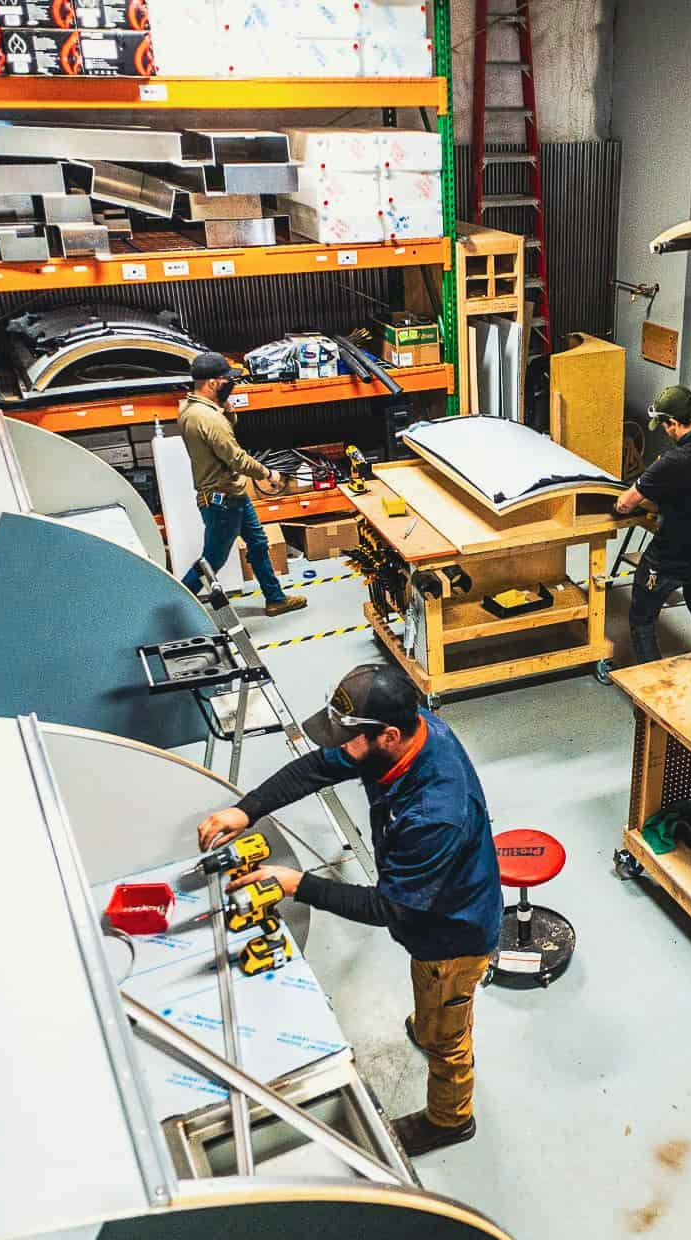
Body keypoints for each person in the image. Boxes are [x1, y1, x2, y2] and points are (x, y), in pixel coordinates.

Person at [197, 663, 502, 1157]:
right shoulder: (407, 734)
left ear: (389, 736)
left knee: (448, 1033)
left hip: (453, 936)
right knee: (431, 997)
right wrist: (247, 808)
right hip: (430, 919)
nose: (343, 748)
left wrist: (297, 884)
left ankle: (450, 1119)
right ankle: (430, 1022)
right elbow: (320, 766)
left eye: (351, 739)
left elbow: (389, 908)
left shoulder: (435, 814)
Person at [613, 384, 691, 664]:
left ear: (673, 423)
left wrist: (629, 498)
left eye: (664, 426)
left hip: (669, 558)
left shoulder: (674, 461)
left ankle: (653, 692)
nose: (665, 432)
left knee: (643, 621)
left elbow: (624, 503)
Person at [179, 351, 305, 616]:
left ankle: (275, 598)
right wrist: (268, 474)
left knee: (258, 543)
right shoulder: (208, 418)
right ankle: (178, 606)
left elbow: (220, 443)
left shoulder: (193, 409)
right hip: (222, 501)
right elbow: (236, 458)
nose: (232, 384)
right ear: (212, 383)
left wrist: (228, 413)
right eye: (227, 380)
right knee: (212, 561)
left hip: (232, 496)